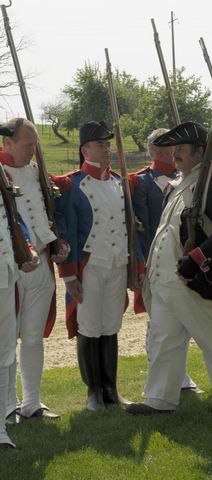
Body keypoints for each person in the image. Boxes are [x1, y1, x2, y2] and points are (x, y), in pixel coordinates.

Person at [127, 121, 212, 416]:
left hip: (196, 281)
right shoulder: (178, 184)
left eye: (181, 148)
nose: (175, 153)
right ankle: (160, 400)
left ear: (200, 152)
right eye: (174, 148)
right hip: (167, 280)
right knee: (164, 339)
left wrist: (196, 258)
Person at [54, 121, 130, 411]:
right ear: (85, 149)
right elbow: (68, 232)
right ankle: (94, 391)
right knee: (89, 325)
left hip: (116, 262)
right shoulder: (73, 185)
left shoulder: (118, 183)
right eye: (101, 144)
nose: (107, 148)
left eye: (108, 144)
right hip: (89, 264)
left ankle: (111, 388)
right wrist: (70, 274)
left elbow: (128, 228)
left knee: (110, 325)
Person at [0, 118, 69, 420]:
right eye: (28, 144)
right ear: (7, 143)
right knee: (6, 338)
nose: (32, 150)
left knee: (32, 336)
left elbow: (49, 215)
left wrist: (58, 242)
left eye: (33, 144)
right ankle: (8, 405)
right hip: (11, 265)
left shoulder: (39, 174)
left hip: (41, 263)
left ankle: (32, 402)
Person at [130, 128, 201, 393]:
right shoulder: (143, 181)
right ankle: (161, 375)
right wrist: (140, 262)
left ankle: (181, 375)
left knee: (182, 320)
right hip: (155, 258)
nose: (170, 152)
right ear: (151, 150)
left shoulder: (186, 178)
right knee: (158, 323)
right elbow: (139, 226)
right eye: (162, 147)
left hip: (182, 258)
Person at [0, 184, 39, 448]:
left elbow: (12, 219)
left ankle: (0, 428)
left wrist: (26, 248)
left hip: (4, 276)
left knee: (3, 353)